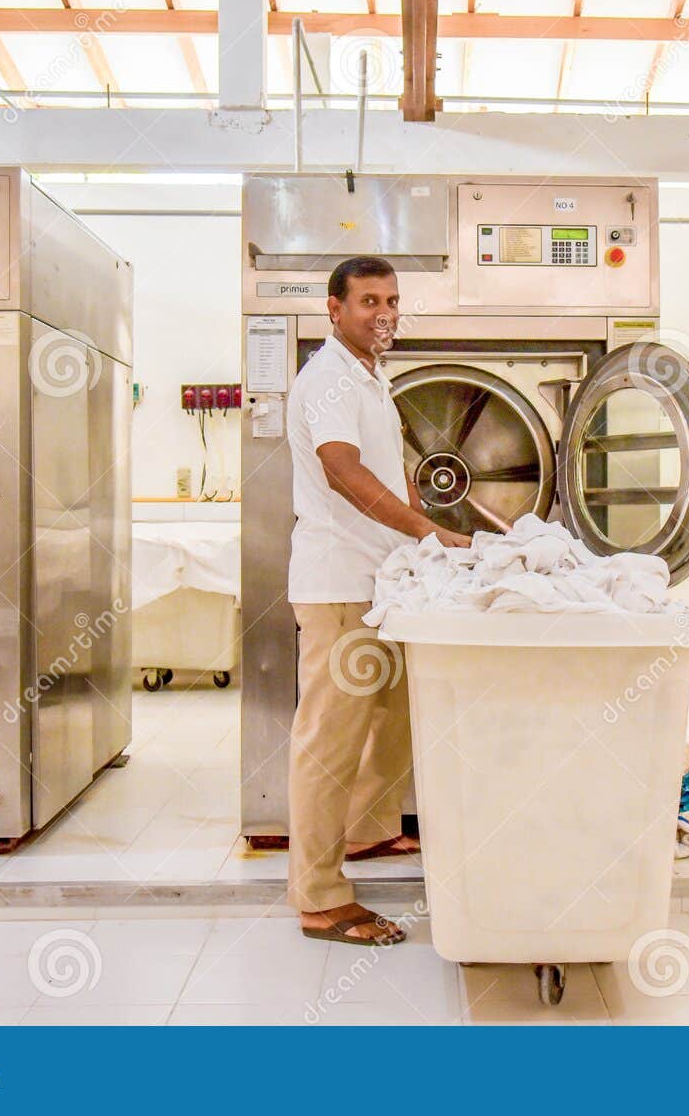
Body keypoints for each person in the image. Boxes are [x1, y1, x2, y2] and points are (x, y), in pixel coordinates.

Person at [284, 255, 471, 947]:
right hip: (339, 584)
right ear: (333, 309)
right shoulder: (330, 377)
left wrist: (417, 542)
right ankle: (320, 897)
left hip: (381, 581)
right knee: (328, 740)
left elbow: (389, 472)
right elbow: (342, 471)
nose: (383, 312)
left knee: (391, 713)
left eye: (391, 300)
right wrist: (429, 532)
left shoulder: (370, 375)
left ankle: (365, 831)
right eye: (368, 301)